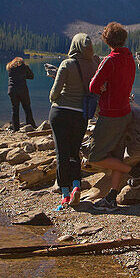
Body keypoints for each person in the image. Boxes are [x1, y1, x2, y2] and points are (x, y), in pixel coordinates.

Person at [87, 22, 140, 211]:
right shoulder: (130, 59)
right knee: (117, 157)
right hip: (125, 112)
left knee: (94, 156)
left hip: (111, 115)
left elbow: (93, 87)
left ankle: (136, 173)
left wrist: (104, 87)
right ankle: (111, 199)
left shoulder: (110, 60)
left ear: (107, 40)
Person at [49, 33, 99, 210]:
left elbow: (54, 92)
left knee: (61, 152)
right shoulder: (94, 65)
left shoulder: (67, 64)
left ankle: (65, 193)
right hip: (80, 115)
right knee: (74, 151)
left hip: (60, 113)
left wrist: (54, 98)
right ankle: (77, 184)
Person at [6, 57, 36, 131]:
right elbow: (31, 76)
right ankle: (31, 125)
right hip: (22, 90)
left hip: (12, 90)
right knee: (27, 108)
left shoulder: (9, 67)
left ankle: (15, 128)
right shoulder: (24, 67)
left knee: (15, 109)